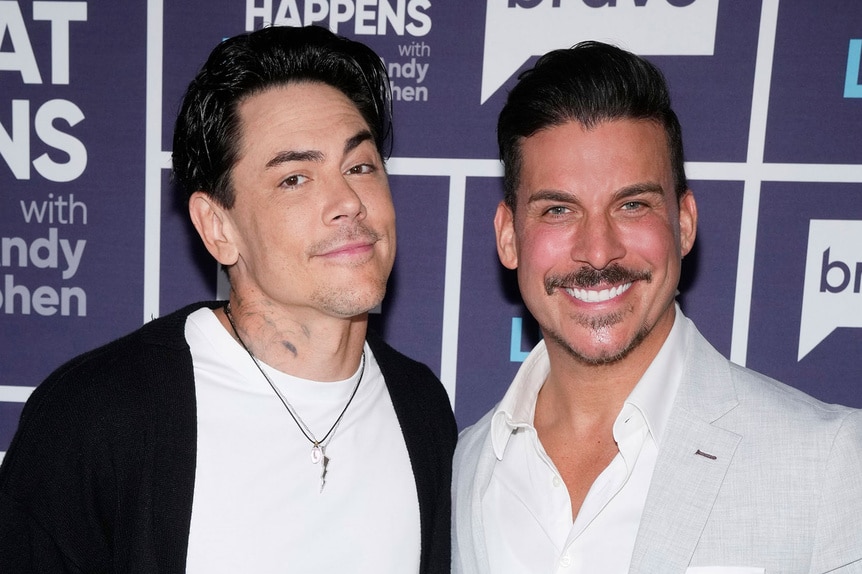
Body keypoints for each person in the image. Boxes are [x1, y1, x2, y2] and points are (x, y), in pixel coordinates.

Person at [0, 25, 456, 573]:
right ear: (218, 227)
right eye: (295, 179)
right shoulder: (96, 417)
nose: (348, 202)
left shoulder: (421, 409)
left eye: (359, 167)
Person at [452, 41, 862, 573]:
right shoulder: (464, 469)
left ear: (684, 223)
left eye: (631, 205)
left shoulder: (826, 464)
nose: (598, 250)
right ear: (509, 237)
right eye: (558, 210)